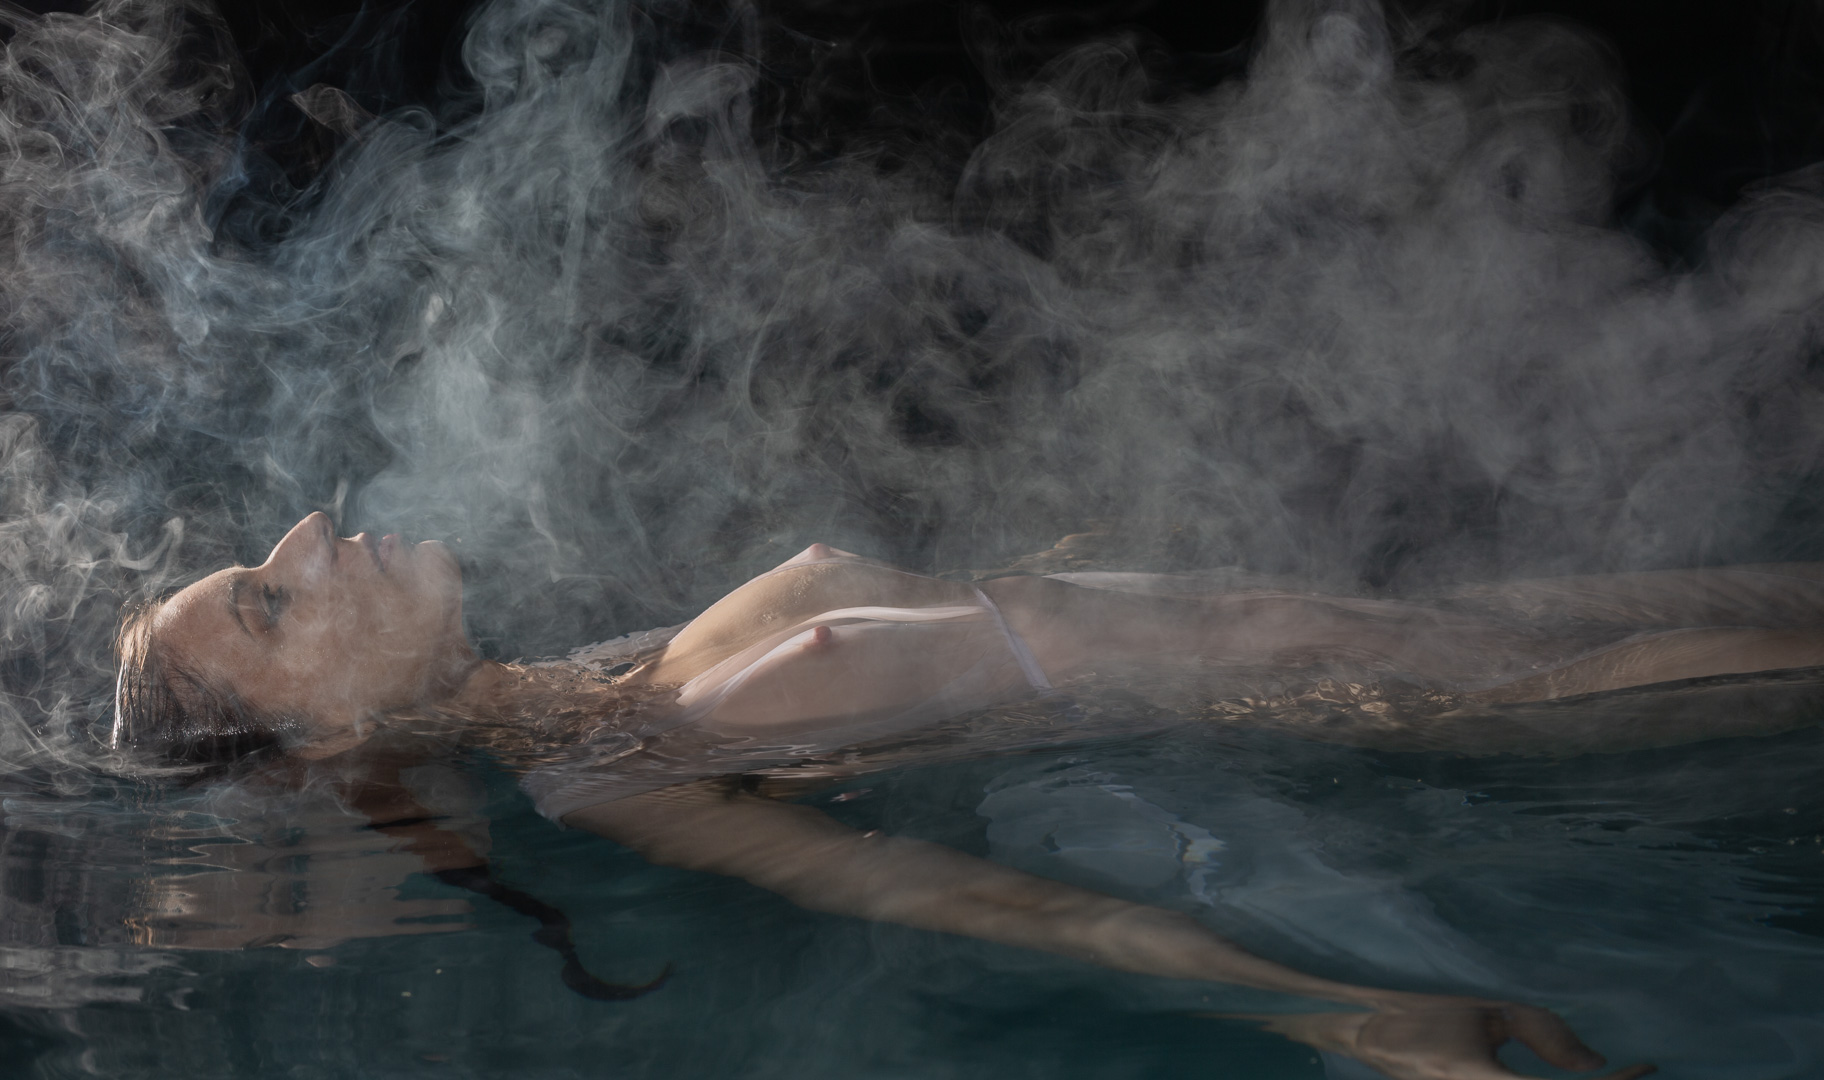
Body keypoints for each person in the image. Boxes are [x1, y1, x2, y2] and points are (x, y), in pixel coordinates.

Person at [115, 511, 1824, 1080]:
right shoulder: (615, 776)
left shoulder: (605, 685)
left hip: (1434, 624)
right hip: (1476, 702)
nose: (309, 537)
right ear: (325, 735)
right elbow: (953, 901)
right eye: (267, 603)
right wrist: (1337, 1008)